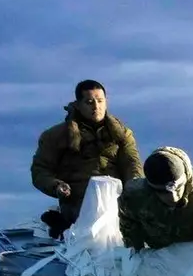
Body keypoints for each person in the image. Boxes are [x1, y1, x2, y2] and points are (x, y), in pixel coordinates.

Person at [31, 80, 143, 236]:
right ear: (78, 104)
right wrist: (56, 186)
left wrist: (135, 186)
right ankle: (63, 225)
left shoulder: (122, 134)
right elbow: (40, 170)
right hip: (78, 202)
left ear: (106, 102)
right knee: (90, 230)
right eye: (89, 102)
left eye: (100, 101)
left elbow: (132, 165)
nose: (96, 106)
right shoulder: (55, 136)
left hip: (116, 202)